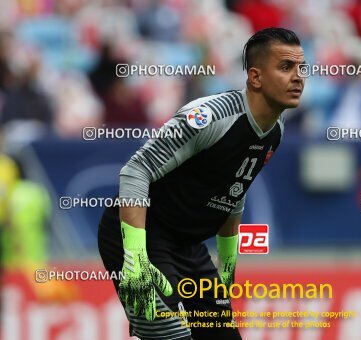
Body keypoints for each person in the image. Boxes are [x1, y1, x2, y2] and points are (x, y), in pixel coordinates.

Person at [97, 27, 305, 340]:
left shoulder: (275, 130)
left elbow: (235, 193)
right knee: (168, 336)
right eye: (286, 67)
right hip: (140, 235)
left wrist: (227, 266)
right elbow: (135, 171)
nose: (299, 77)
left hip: (188, 246)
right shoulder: (208, 117)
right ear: (255, 77)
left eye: (302, 67)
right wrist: (135, 259)